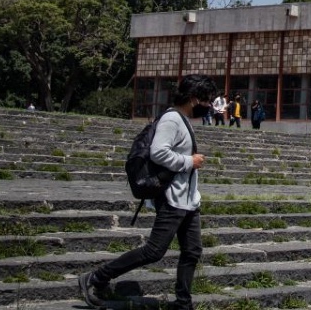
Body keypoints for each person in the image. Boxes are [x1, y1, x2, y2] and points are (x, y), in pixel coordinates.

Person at [79, 73, 216, 310]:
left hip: (188, 201)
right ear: (194, 99)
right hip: (172, 198)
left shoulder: (182, 120)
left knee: (192, 250)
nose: (208, 106)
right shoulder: (172, 119)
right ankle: (96, 277)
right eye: (206, 101)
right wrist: (188, 161)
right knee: (154, 251)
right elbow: (158, 152)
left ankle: (183, 303)